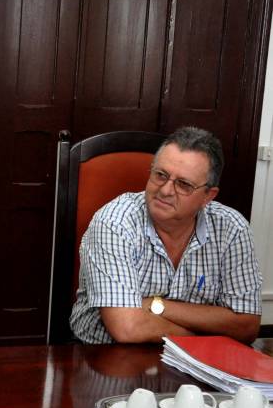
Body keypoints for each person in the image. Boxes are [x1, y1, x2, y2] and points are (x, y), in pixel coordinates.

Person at [69, 126, 262, 345]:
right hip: (105, 357)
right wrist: (201, 341)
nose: (166, 190)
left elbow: (246, 324)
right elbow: (127, 328)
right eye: (161, 175)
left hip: (196, 366)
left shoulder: (232, 229)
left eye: (183, 184)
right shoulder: (114, 222)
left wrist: (154, 305)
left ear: (208, 195)